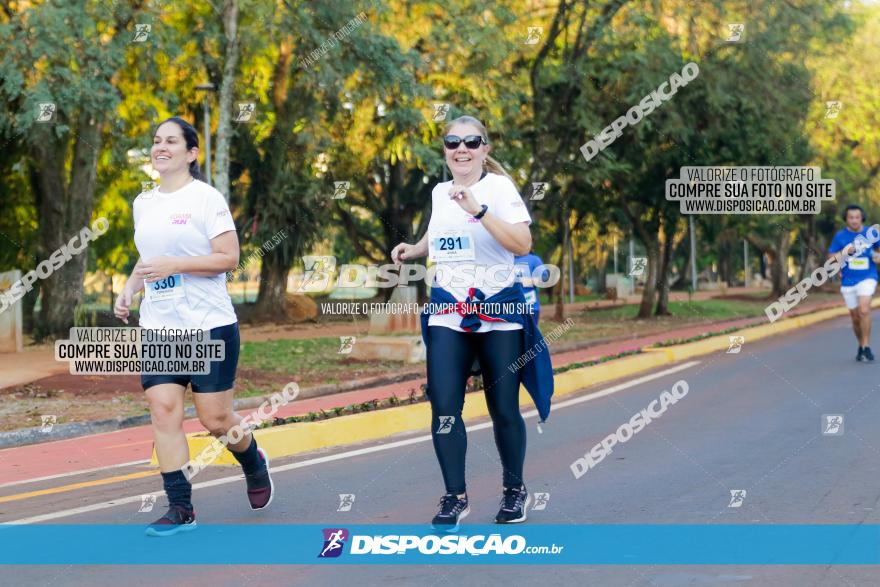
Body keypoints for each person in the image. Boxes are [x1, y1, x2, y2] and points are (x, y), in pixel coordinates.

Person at [391, 115, 554, 531]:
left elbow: (522, 244)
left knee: (503, 408)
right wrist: (415, 248)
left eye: (471, 141)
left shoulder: (498, 189)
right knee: (444, 405)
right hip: (448, 311)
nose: (460, 148)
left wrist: (479, 210)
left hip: (499, 313)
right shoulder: (439, 192)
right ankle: (454, 497)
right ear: (445, 149)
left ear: (485, 148)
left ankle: (515, 490)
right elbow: (438, 231)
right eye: (452, 142)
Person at [114, 117, 274, 537]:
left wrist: (176, 265)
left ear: (191, 153)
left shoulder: (206, 199)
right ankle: (181, 508)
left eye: (170, 141)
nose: (160, 147)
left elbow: (228, 257)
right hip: (159, 327)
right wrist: (130, 289)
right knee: (163, 410)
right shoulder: (143, 202)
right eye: (155, 140)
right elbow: (148, 258)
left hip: (207, 325)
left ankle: (254, 462)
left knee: (216, 420)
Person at [828, 204, 880, 361]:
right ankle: (861, 345)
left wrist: (878, 257)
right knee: (855, 317)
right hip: (848, 281)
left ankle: (866, 347)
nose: (854, 220)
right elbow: (831, 257)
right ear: (846, 219)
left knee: (864, 310)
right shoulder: (840, 236)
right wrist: (844, 252)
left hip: (868, 277)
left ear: (861, 218)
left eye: (857, 217)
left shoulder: (871, 234)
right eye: (851, 217)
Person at [514, 251, 548, 323]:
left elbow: (545, 278)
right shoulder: (505, 258)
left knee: (529, 334)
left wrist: (531, 281)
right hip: (509, 308)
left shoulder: (534, 259)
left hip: (530, 307)